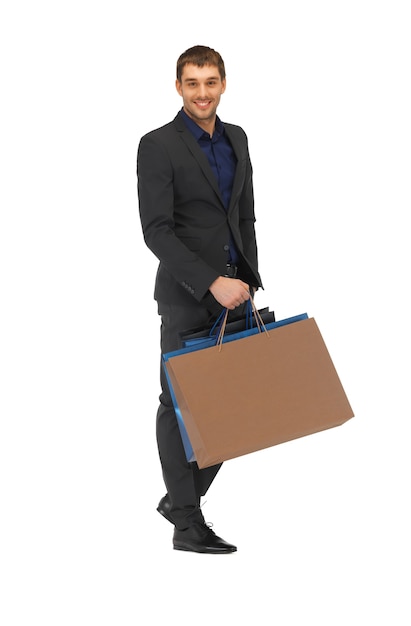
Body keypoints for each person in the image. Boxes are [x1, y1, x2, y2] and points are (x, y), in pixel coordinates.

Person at [137, 45, 263, 553]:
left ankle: (178, 499)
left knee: (237, 406)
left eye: (210, 82)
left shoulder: (238, 138)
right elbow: (157, 231)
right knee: (179, 402)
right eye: (192, 83)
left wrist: (248, 278)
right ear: (178, 87)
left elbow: (246, 216)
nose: (202, 92)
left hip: (237, 293)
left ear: (224, 84)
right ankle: (187, 523)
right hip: (189, 295)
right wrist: (211, 281)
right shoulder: (157, 145)